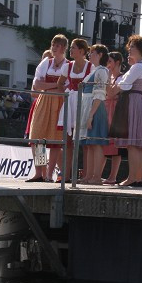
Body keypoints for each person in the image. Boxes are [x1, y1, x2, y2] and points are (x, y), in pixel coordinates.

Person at [108, 34, 142, 187]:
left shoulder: (138, 67)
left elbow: (125, 85)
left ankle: (133, 177)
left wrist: (113, 89)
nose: (130, 49)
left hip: (132, 101)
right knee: (138, 143)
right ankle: (138, 177)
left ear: (140, 49)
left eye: (132, 47)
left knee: (133, 143)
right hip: (139, 101)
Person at [25, 35, 69, 182]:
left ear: (63, 47)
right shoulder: (46, 62)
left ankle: (49, 174)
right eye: (53, 44)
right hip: (44, 101)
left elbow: (66, 88)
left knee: (55, 138)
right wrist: (56, 85)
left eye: (56, 45)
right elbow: (37, 85)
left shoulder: (68, 65)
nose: (53, 47)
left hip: (59, 102)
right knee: (38, 135)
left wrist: (49, 85)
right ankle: (40, 172)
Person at [57, 38, 92, 180]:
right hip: (71, 101)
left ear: (82, 51)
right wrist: (64, 96)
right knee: (68, 140)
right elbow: (60, 83)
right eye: (71, 48)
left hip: (83, 102)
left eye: (73, 48)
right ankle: (66, 175)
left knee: (84, 141)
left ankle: (86, 175)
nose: (70, 50)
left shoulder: (90, 67)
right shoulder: (68, 66)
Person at [80, 44, 110, 184]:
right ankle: (89, 175)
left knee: (96, 143)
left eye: (92, 53)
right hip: (89, 106)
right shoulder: (95, 70)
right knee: (90, 143)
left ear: (100, 55)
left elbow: (99, 94)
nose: (89, 55)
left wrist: (91, 115)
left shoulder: (102, 71)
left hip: (96, 108)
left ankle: (96, 176)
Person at [101, 51, 124, 185]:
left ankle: (113, 176)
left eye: (110, 61)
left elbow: (110, 93)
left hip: (115, 111)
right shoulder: (110, 78)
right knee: (103, 143)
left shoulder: (121, 78)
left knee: (115, 145)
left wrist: (108, 76)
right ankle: (99, 173)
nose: (108, 64)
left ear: (117, 63)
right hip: (106, 109)